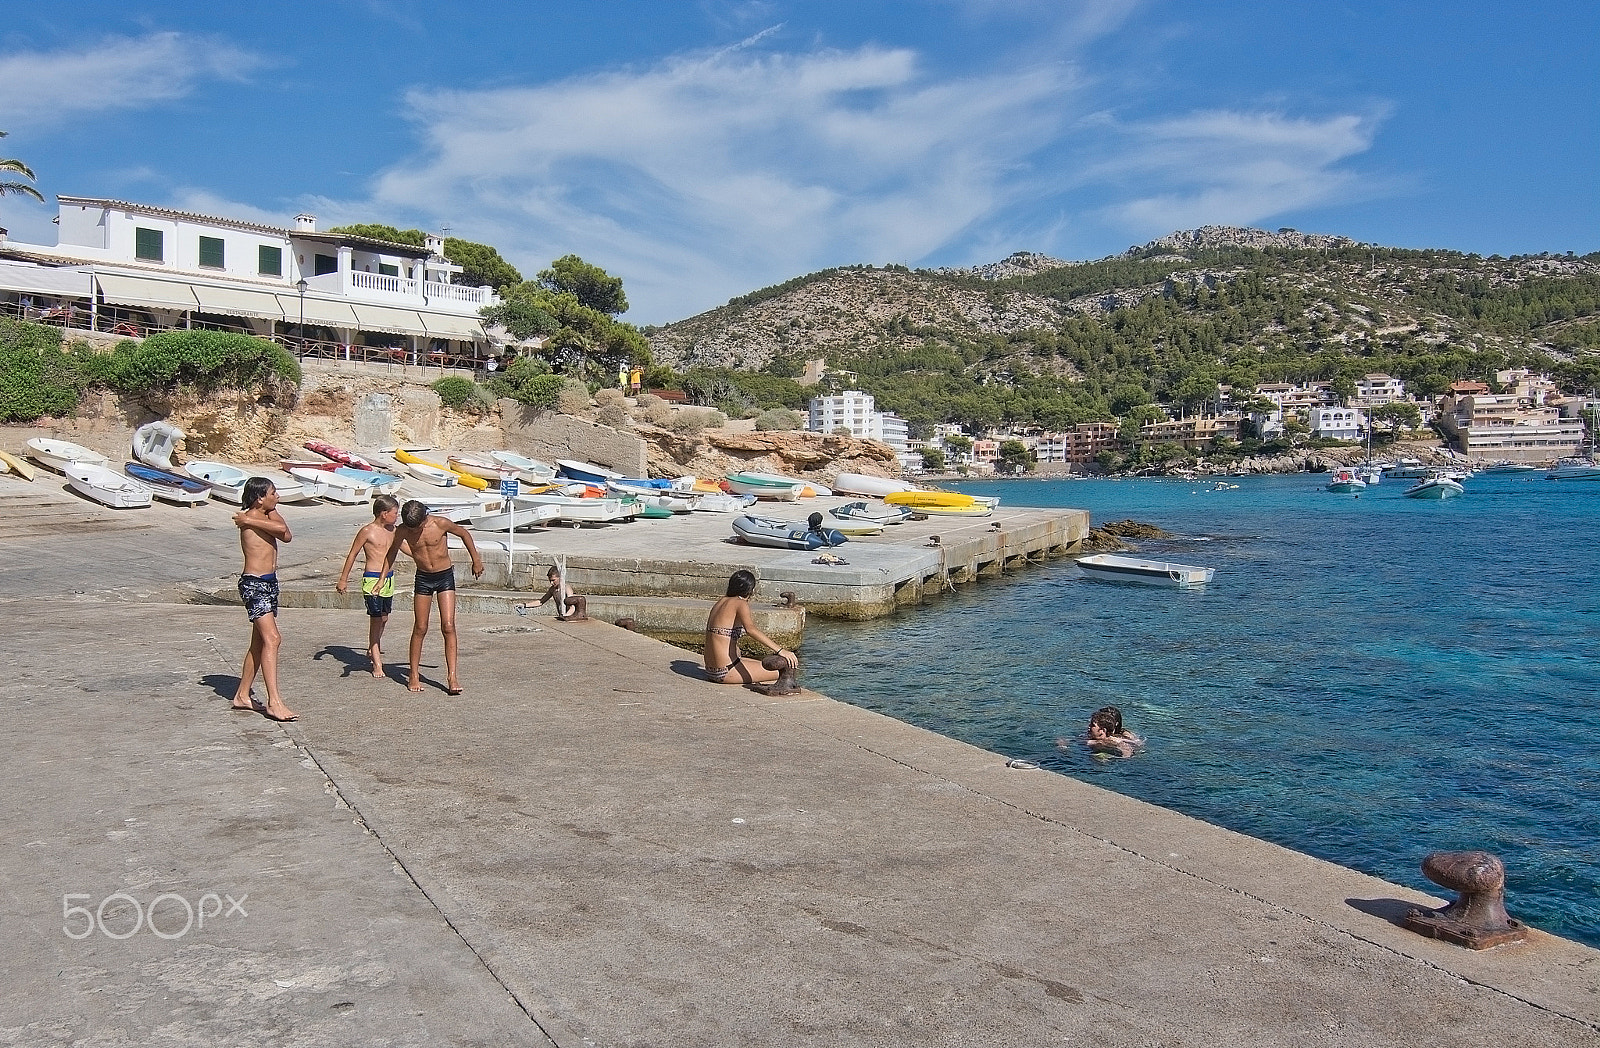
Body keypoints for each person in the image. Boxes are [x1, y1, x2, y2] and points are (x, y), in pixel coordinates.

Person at [379, 499, 484, 695]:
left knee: (448, 625)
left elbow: (464, 534)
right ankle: (414, 674)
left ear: (424, 519)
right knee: (420, 627)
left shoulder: (440, 523)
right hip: (423, 578)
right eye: (411, 529)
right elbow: (391, 553)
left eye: (417, 528)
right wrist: (381, 579)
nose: (414, 532)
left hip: (444, 577)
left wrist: (476, 560)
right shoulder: (403, 530)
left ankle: (452, 676)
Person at [229, 478, 298, 722]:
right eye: (273, 493)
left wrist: (252, 517)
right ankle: (274, 702)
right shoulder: (250, 520)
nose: (277, 496)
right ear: (260, 498)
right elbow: (277, 530)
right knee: (273, 638)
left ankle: (242, 695)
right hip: (254, 585)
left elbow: (286, 535)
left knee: (259, 642)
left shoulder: (263, 517)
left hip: (270, 583)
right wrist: (248, 519)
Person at [336, 495, 404, 678]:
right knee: (375, 621)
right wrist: (343, 579)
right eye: (395, 513)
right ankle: (377, 664)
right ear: (384, 514)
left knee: (384, 619)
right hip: (372, 580)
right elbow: (352, 554)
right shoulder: (367, 531)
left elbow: (406, 549)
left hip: (388, 579)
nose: (397, 517)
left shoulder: (394, 531)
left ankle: (372, 648)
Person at [702, 569, 799, 694]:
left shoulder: (721, 602)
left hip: (712, 669)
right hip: (725, 671)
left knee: (762, 664)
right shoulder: (740, 603)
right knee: (784, 670)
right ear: (750, 590)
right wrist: (781, 650)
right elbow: (751, 630)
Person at [518, 566, 587, 621]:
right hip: (562, 617)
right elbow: (541, 601)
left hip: (570, 617)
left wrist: (566, 616)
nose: (551, 583)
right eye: (550, 580)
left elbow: (572, 607)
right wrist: (525, 605)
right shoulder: (552, 589)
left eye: (553, 580)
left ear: (560, 577)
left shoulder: (566, 588)